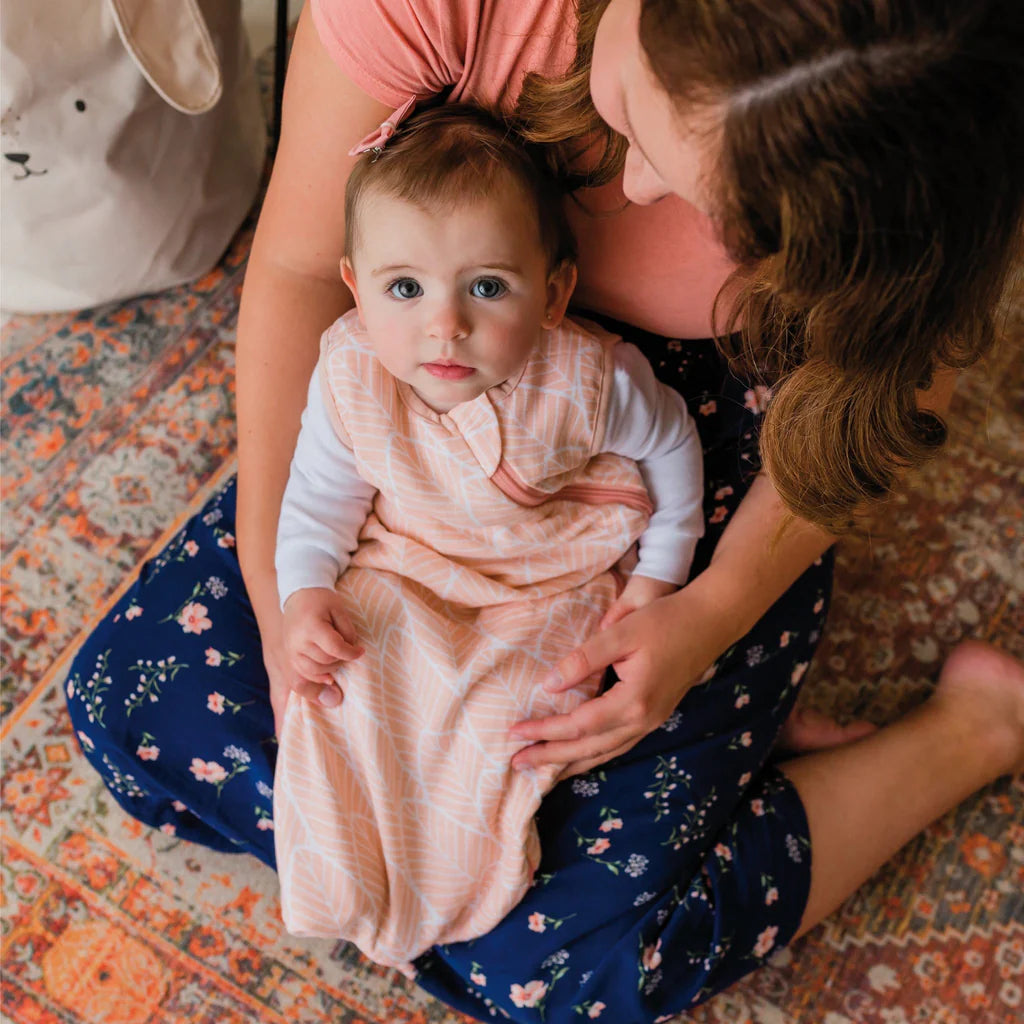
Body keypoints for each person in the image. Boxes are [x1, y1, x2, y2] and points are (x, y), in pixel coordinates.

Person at [64, 0, 1024, 1020]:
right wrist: (281, 604)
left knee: (566, 974)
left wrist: (707, 615)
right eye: (637, 121)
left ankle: (972, 727)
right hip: (435, 418)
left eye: (726, 217)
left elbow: (870, 409)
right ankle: (690, 767)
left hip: (688, 469)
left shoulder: (929, 146)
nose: (637, 186)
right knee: (127, 705)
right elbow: (304, 271)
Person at [272, 103, 704, 970]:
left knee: (502, 727)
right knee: (338, 695)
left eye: (487, 287)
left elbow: (675, 452)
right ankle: (348, 875)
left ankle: (459, 875)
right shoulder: (352, 371)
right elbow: (319, 496)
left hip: (551, 575)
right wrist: (305, 591)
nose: (445, 325)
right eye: (406, 288)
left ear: (554, 293)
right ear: (356, 286)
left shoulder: (592, 379)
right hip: (410, 560)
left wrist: (658, 584)